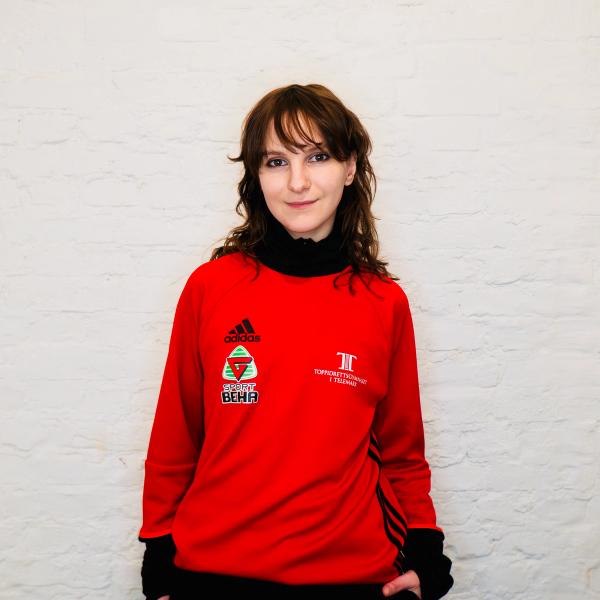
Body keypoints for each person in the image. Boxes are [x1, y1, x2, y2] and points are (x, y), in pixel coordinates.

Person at [137, 83, 454, 600]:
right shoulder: (211, 288)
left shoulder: (383, 302)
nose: (298, 182)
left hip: (352, 578)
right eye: (277, 162)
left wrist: (425, 553)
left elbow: (402, 452)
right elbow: (176, 438)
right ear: (256, 176)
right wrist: (158, 553)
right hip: (213, 576)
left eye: (318, 156)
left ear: (350, 168)